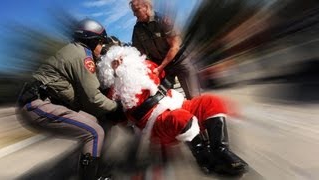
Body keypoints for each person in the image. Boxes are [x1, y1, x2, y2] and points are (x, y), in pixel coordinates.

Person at [97, 46, 248, 175]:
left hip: (177, 103)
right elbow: (118, 119)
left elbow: (163, 75)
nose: (121, 62)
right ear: (110, 70)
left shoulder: (148, 67)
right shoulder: (114, 92)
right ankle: (206, 160)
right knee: (180, 118)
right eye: (115, 62)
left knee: (210, 101)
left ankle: (220, 150)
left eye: (122, 57)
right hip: (156, 122)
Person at [16, 18, 122, 180]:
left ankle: (92, 167)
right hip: (37, 104)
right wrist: (116, 107)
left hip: (38, 103)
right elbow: (93, 98)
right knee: (94, 132)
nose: (102, 48)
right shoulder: (83, 56)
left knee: (94, 122)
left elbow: (87, 95)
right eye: (101, 42)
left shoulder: (75, 51)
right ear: (93, 41)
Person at [129, 0, 200, 99]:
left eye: (136, 10)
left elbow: (174, 47)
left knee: (193, 97)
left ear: (146, 7)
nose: (134, 14)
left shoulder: (163, 20)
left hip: (179, 62)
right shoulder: (137, 29)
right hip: (162, 69)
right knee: (163, 101)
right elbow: (138, 53)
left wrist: (160, 67)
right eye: (133, 11)